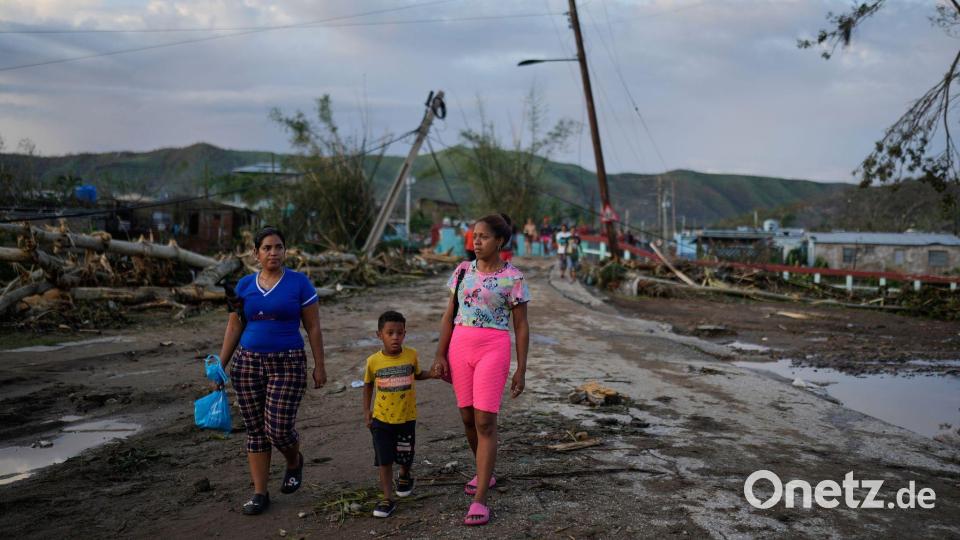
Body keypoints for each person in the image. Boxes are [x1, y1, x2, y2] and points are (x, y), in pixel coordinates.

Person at [216, 226, 327, 516]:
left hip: (288, 362)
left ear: (285, 251)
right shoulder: (243, 286)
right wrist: (220, 365)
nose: (273, 253)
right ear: (256, 253)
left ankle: (293, 460)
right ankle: (259, 493)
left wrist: (319, 366)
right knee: (255, 431)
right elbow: (234, 325)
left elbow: (313, 326)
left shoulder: (299, 284)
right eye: (267, 248)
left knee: (277, 429)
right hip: (247, 364)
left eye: (278, 247)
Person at [431, 213, 531, 526]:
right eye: (475, 236)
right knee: (466, 417)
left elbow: (522, 326)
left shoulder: (513, 277)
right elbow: (449, 316)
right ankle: (483, 471)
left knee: (485, 421)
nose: (477, 242)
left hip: (493, 348)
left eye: (484, 237)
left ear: (500, 241)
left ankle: (480, 499)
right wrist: (440, 354)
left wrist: (521, 368)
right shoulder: (461, 272)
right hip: (460, 348)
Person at [363, 311, 432, 518]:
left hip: (406, 418)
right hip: (381, 420)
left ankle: (404, 474)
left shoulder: (411, 355)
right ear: (379, 335)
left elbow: (418, 375)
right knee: (384, 459)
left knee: (405, 454)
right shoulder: (373, 361)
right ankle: (387, 498)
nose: (395, 337)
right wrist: (367, 411)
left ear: (405, 334)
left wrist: (435, 374)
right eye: (390, 333)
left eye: (399, 333)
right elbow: (367, 386)